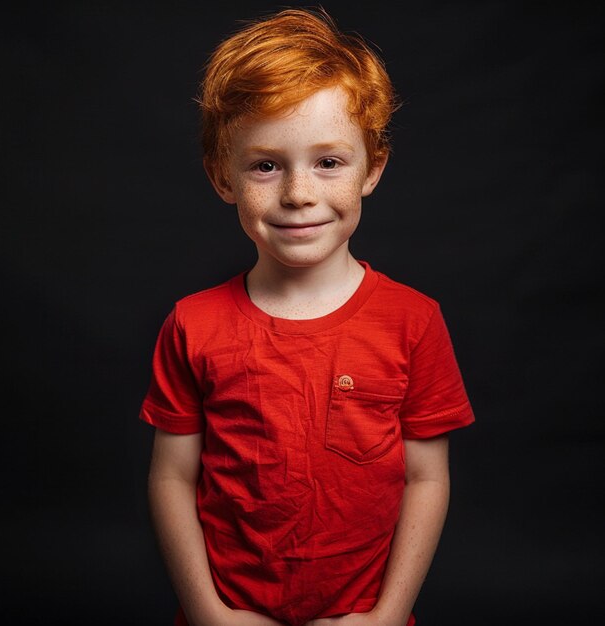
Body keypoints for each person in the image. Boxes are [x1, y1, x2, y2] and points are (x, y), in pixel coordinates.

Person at [140, 8, 474, 626]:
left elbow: (428, 479)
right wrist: (209, 614)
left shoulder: (415, 321)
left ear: (371, 168)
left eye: (329, 162)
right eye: (266, 165)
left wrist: (385, 617)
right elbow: (171, 478)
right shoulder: (192, 324)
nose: (298, 192)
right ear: (223, 177)